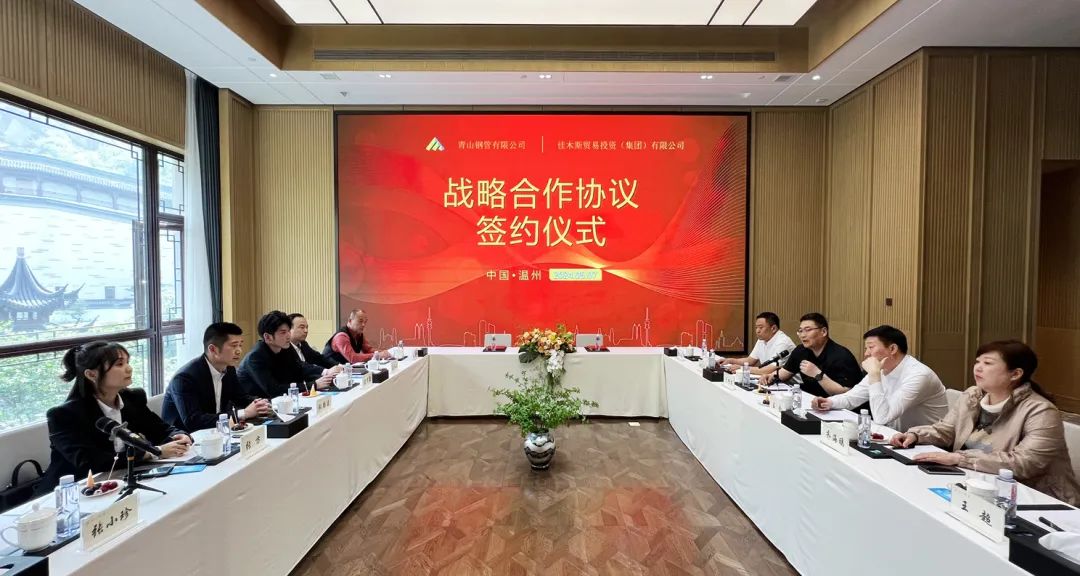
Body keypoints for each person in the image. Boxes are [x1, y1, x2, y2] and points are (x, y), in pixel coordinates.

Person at [890, 340, 1080, 505]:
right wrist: (916, 435)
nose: (978, 368)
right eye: (977, 362)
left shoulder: (1040, 411)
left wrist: (960, 459)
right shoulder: (973, 395)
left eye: (987, 363)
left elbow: (1025, 463)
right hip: (978, 484)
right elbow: (947, 430)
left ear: (1015, 374)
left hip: (1034, 499)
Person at [40, 341, 191, 491]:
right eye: (119, 364)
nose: (129, 368)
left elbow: (159, 428)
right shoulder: (63, 414)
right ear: (91, 374)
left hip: (123, 479)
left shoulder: (133, 398)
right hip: (75, 490)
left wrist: (178, 435)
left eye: (127, 362)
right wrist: (153, 452)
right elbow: (89, 462)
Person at [810, 325, 948, 430]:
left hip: (927, 444)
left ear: (892, 349)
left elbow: (882, 418)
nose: (866, 354)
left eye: (871, 348)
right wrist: (828, 402)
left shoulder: (919, 375)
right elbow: (852, 397)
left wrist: (874, 375)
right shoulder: (881, 368)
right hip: (895, 436)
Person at [161, 322, 272, 433]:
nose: (239, 351)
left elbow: (241, 398)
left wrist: (261, 404)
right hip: (184, 438)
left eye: (240, 345)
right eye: (234, 346)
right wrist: (244, 413)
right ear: (213, 349)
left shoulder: (229, 369)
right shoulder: (184, 378)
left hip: (217, 432)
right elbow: (193, 421)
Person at [761, 313, 862, 397]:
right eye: (800, 331)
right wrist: (770, 376)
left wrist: (817, 374)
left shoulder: (842, 356)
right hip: (809, 400)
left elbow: (846, 394)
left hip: (838, 408)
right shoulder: (801, 351)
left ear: (823, 332)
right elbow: (784, 373)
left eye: (808, 330)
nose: (802, 335)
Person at [238, 311, 335, 398]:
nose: (288, 335)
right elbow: (273, 390)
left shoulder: (285, 348)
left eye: (289, 331)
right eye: (283, 332)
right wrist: (314, 385)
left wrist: (326, 377)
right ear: (267, 337)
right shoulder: (255, 357)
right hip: (254, 405)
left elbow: (300, 369)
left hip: (282, 401)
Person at [723, 312, 796, 376]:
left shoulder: (782, 342)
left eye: (761, 327)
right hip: (771, 379)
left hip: (792, 384)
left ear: (773, 328)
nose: (757, 331)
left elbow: (769, 370)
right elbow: (750, 360)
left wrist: (743, 368)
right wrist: (731, 360)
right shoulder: (762, 339)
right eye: (756, 327)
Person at [323, 308, 389, 364]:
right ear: (350, 320)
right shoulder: (341, 337)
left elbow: (368, 350)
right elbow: (353, 358)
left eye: (365, 322)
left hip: (343, 369)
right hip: (329, 370)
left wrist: (386, 352)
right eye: (360, 321)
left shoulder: (359, 334)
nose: (363, 324)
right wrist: (377, 355)